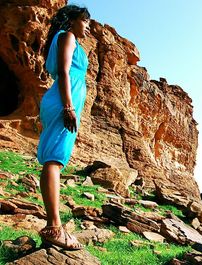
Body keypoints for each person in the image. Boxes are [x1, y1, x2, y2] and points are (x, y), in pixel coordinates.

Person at [37, 4, 90, 250]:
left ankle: (54, 224)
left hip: (62, 101)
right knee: (54, 160)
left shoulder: (65, 38)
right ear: (72, 21)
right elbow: (64, 72)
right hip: (62, 102)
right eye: (85, 21)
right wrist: (69, 107)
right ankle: (54, 226)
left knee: (55, 158)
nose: (88, 26)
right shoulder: (67, 36)